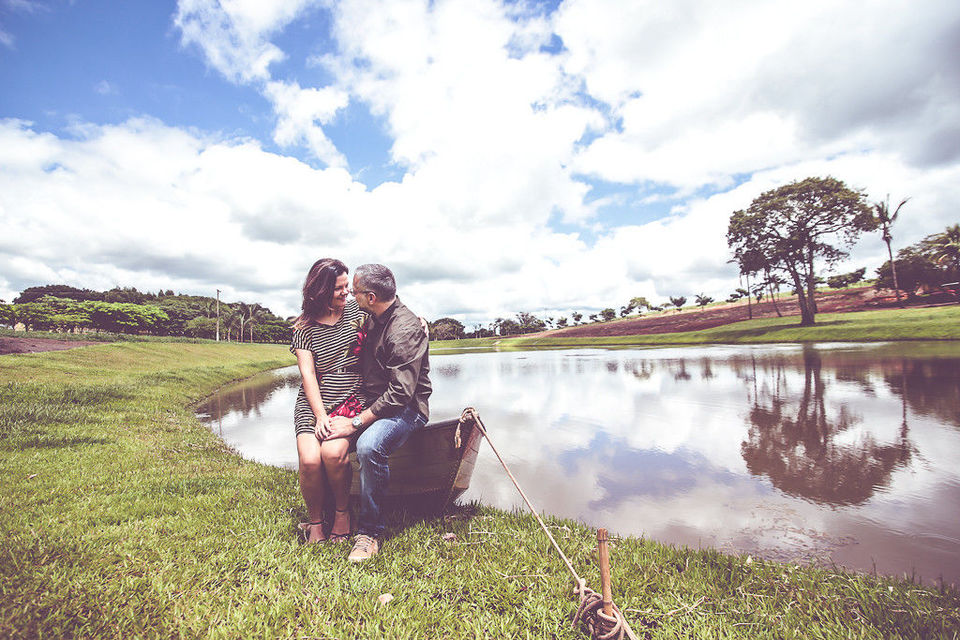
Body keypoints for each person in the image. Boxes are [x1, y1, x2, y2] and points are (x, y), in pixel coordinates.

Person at [329, 263, 432, 562]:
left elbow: (401, 393)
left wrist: (355, 422)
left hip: (407, 408)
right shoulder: (372, 315)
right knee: (328, 437)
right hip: (374, 401)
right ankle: (331, 513)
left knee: (369, 446)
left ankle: (369, 533)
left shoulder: (404, 330)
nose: (351, 296)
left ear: (371, 297)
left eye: (355, 292)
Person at [290, 258, 366, 544]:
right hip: (314, 402)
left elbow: (389, 308)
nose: (346, 292)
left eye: (347, 286)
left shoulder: (356, 310)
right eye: (338, 288)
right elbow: (308, 374)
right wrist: (320, 415)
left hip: (350, 397)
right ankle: (316, 523)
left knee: (333, 454)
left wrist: (418, 321)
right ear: (320, 290)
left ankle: (343, 514)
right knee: (310, 460)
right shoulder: (303, 327)